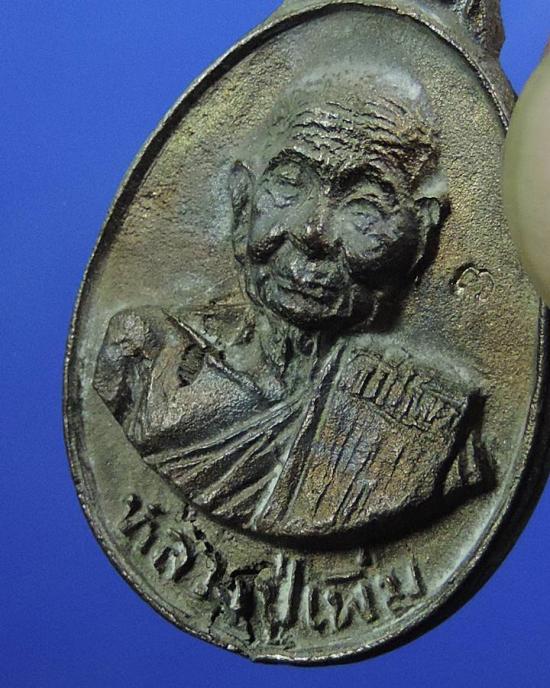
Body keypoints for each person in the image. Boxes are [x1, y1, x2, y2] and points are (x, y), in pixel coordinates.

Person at [94, 67, 490, 544]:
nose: (312, 232)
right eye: (288, 184)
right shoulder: (147, 359)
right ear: (243, 198)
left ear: (422, 236)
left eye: (363, 207)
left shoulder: (428, 429)